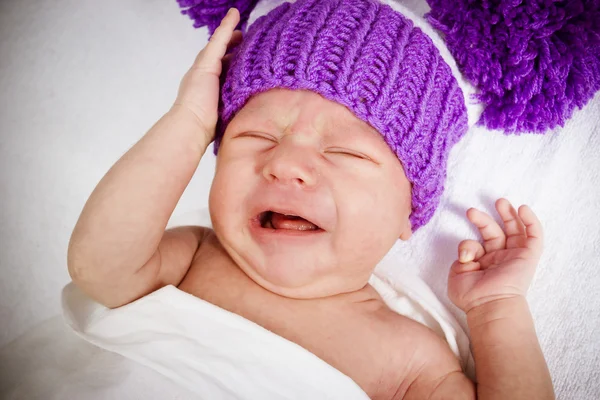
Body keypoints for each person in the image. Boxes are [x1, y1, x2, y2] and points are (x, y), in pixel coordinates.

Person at [67, 6, 555, 400]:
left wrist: (496, 311)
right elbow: (100, 267)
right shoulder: (192, 259)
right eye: (254, 135)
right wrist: (190, 120)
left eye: (342, 151)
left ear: (409, 212)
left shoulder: (407, 358)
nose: (286, 164)